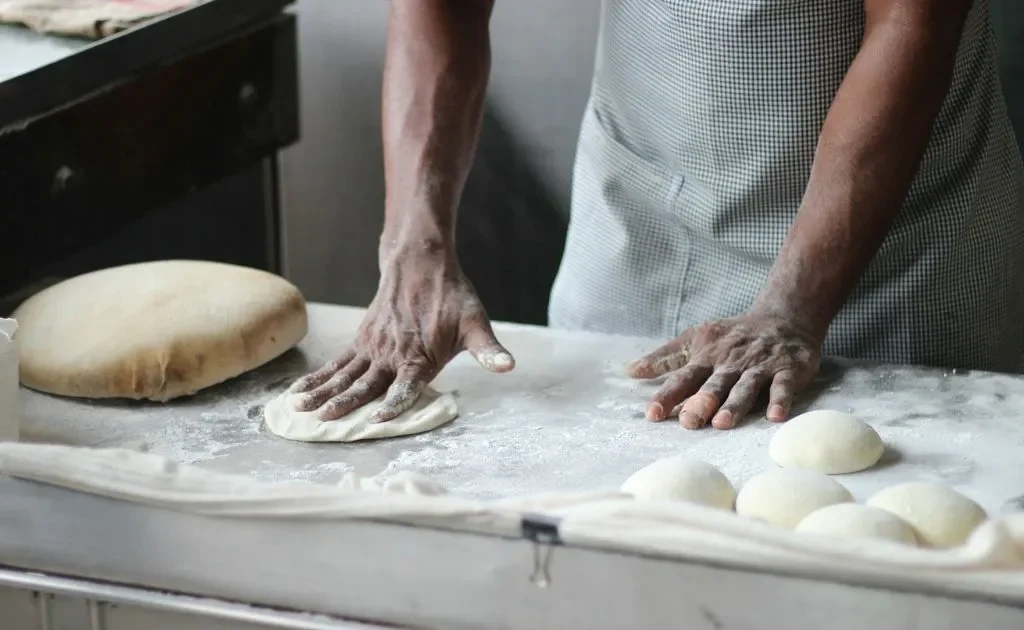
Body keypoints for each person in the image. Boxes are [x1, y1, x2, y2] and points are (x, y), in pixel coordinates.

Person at [289, 0, 1024, 430]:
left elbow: (913, 20)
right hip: (638, 216)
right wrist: (414, 247)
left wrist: (794, 306)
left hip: (895, 253)